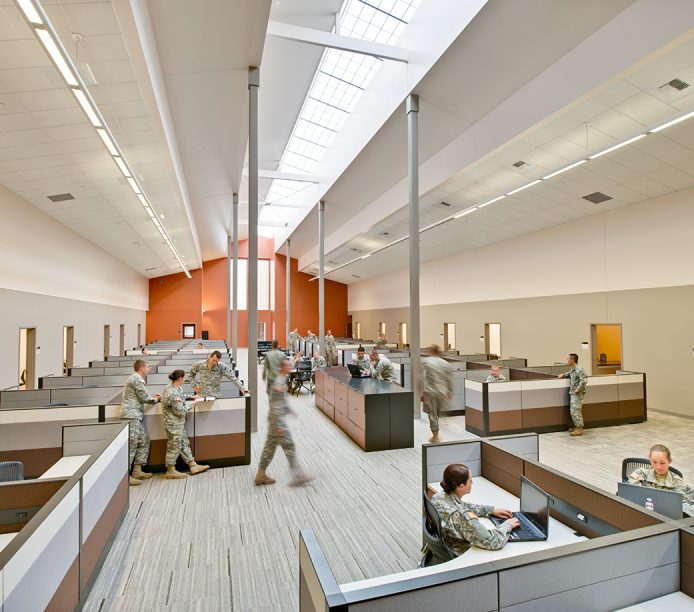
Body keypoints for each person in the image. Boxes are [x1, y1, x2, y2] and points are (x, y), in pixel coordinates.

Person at [431, 464, 519, 556]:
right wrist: (508, 525)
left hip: (446, 547)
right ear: (461, 486)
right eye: (470, 481)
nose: (472, 483)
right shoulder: (462, 516)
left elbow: (462, 505)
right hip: (461, 556)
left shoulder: (438, 497)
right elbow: (493, 542)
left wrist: (490, 510)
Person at [255, 359, 311, 486]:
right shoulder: (279, 381)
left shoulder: (281, 379)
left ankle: (260, 474)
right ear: (282, 368)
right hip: (277, 421)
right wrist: (279, 425)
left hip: (275, 420)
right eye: (288, 365)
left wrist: (289, 410)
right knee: (289, 446)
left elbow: (280, 401)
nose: (290, 366)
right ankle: (298, 476)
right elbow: (275, 404)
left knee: (270, 447)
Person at [119, 359, 161, 486]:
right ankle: (125, 476)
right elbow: (144, 398)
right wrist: (156, 399)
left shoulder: (135, 379)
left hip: (136, 415)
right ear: (141, 368)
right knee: (132, 444)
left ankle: (137, 471)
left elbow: (141, 396)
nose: (148, 369)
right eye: (147, 367)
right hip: (131, 415)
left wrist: (153, 397)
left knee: (143, 440)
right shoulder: (137, 379)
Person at [161, 370, 210, 479]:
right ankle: (170, 470)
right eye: (184, 378)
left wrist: (190, 397)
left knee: (183, 443)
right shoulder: (171, 392)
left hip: (178, 424)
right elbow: (180, 411)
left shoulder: (173, 388)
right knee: (174, 447)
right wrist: (193, 403)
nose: (184, 380)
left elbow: (180, 396)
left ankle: (193, 465)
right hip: (173, 425)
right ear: (180, 379)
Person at [628, 444, 694, 517]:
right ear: (650, 461)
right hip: (640, 514)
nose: (658, 467)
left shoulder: (677, 482)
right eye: (654, 462)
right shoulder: (641, 474)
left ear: (669, 461)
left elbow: (690, 507)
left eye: (662, 463)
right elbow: (630, 493)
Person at [422, 345, 453, 443]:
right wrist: (449, 391)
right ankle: (441, 423)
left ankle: (435, 435)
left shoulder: (427, 362)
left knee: (432, 414)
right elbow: (449, 379)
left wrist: (423, 393)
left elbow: (424, 378)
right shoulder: (446, 364)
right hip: (442, 391)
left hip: (431, 391)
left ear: (431, 351)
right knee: (438, 412)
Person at [558, 353, 587, 436]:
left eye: (568, 359)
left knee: (575, 410)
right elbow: (570, 374)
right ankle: (576, 426)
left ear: (572, 360)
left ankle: (579, 428)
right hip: (573, 393)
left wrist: (578, 389)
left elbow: (584, 380)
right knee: (573, 410)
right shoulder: (573, 369)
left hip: (577, 393)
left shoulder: (579, 369)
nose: (567, 360)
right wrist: (563, 375)